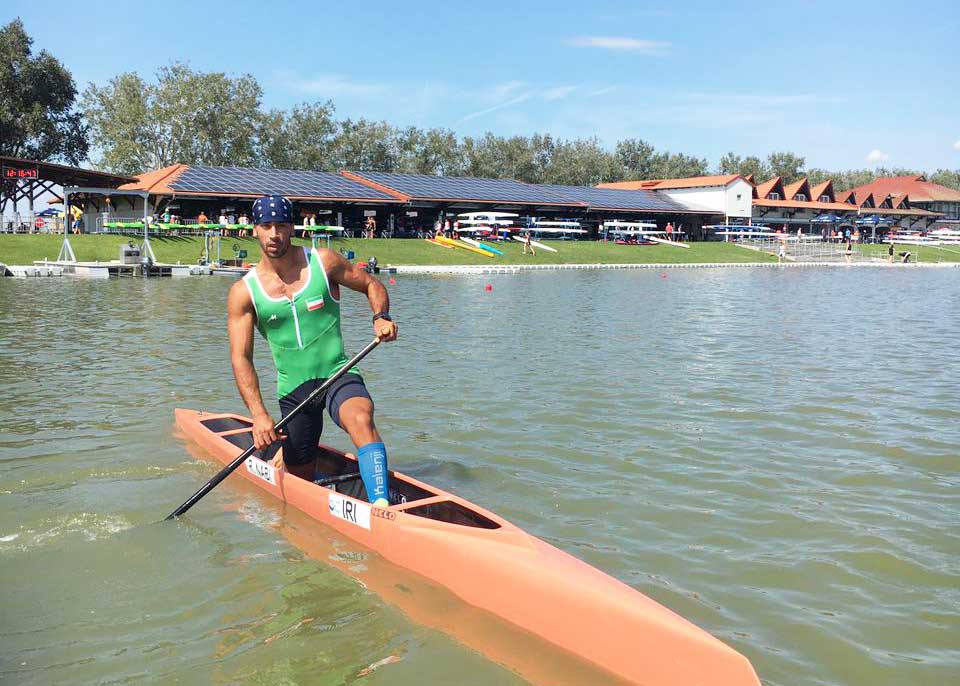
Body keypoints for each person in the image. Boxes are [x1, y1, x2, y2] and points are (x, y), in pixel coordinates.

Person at [227, 195, 398, 507]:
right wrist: (258, 415)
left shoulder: (324, 262)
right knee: (298, 478)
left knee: (360, 418)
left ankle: (382, 507)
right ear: (254, 230)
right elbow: (241, 358)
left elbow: (372, 285)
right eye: (266, 226)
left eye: (281, 225)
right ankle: (284, 459)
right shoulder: (243, 292)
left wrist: (381, 317)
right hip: (294, 390)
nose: (274, 234)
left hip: (337, 373)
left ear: (293, 227)